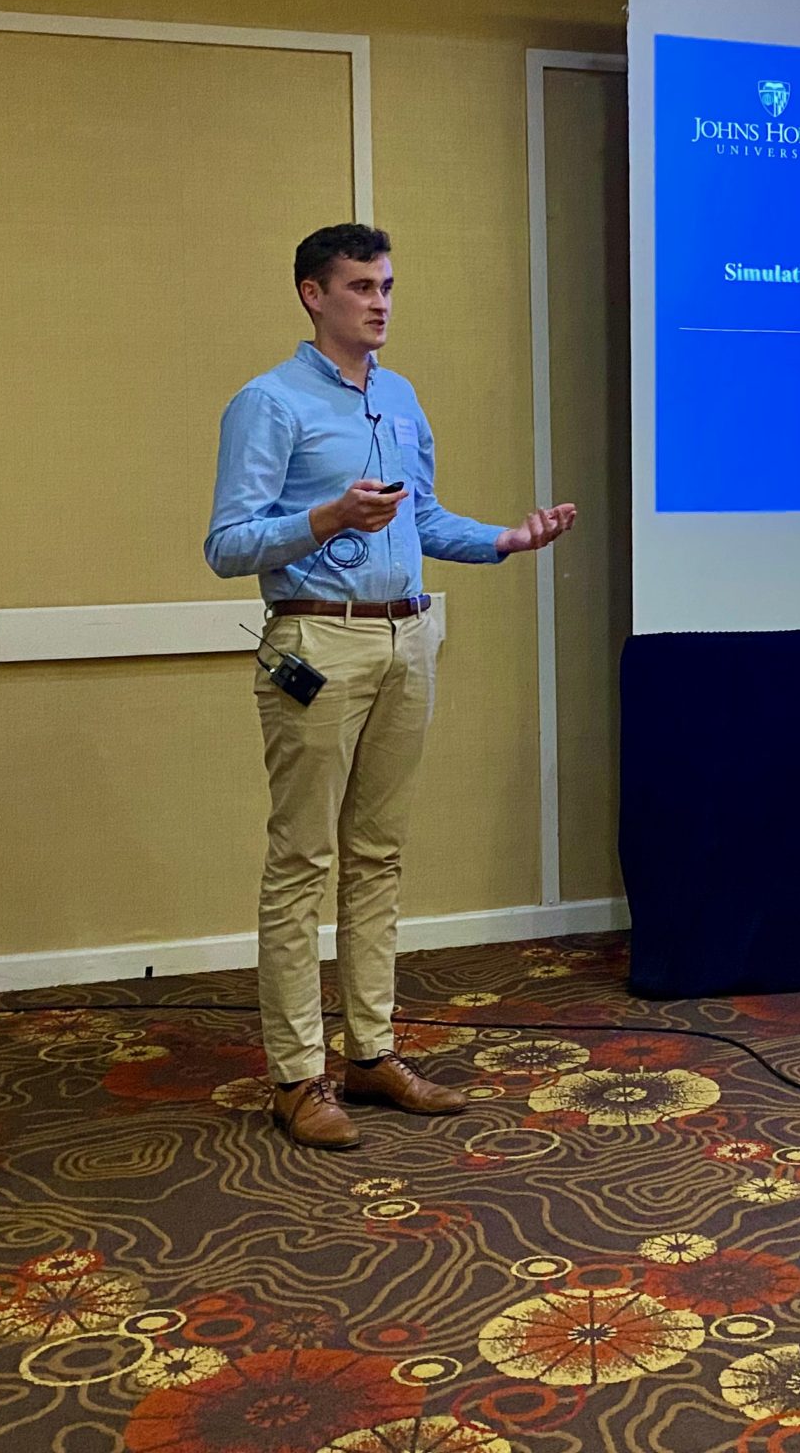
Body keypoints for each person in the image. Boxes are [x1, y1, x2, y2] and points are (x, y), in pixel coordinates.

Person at [206, 223, 577, 1149]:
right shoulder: (269, 402)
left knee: (377, 855)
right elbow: (227, 544)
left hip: (408, 638)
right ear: (313, 294)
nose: (380, 303)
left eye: (387, 287)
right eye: (362, 287)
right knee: (303, 862)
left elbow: (426, 519)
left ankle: (370, 1054)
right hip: (316, 640)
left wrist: (504, 540)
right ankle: (297, 1078)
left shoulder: (400, 396)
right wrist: (325, 516)